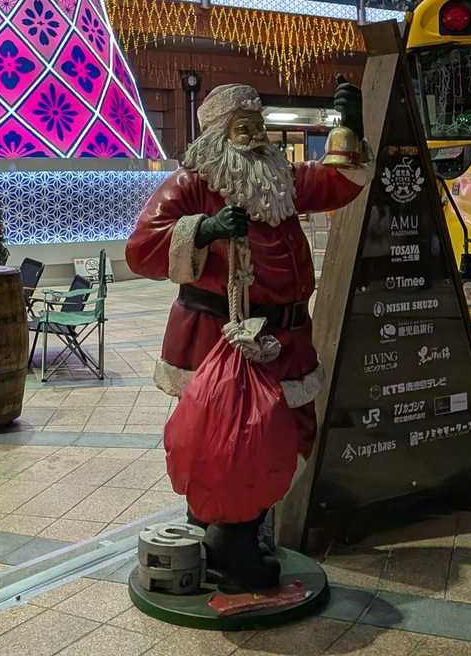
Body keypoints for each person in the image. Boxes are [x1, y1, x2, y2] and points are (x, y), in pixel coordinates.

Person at [125, 81, 369, 591]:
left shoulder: (282, 177)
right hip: (218, 336)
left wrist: (349, 128)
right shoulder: (191, 184)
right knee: (227, 439)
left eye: (259, 126)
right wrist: (205, 230)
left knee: (290, 432)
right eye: (243, 128)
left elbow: (336, 182)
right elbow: (142, 248)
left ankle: (233, 530)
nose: (256, 137)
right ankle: (230, 541)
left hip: (286, 335)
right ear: (218, 135)